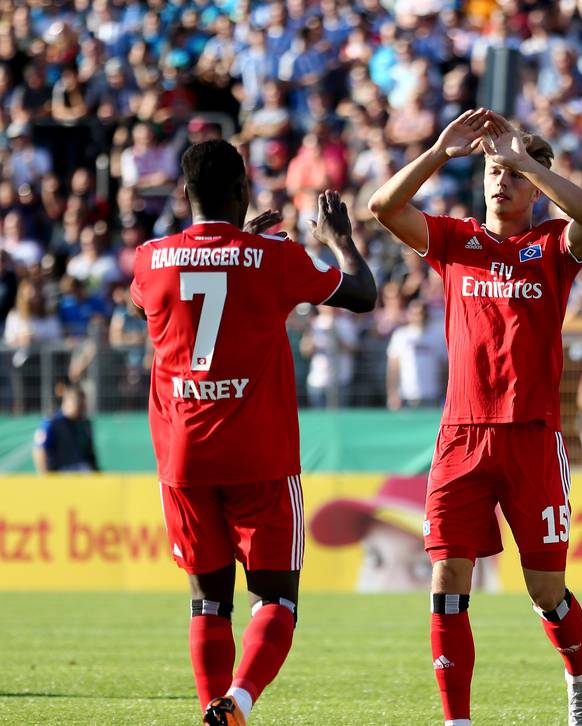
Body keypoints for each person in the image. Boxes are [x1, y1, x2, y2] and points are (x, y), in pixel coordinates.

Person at [368, 108, 582, 726]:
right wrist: (441, 153)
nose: (501, 182)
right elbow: (382, 207)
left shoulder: (554, 246)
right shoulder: (455, 240)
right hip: (461, 437)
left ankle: (580, 678)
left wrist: (523, 156)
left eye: (514, 175)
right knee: (447, 580)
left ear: (535, 183)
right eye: (494, 172)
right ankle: (457, 721)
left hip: (532, 437)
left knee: (545, 592)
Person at [130, 140, 375, 726]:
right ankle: (237, 701)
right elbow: (362, 295)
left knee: (209, 602)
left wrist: (238, 244)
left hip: (184, 458)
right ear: (243, 191)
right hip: (260, 456)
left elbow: (166, 300)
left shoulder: (148, 258)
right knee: (276, 598)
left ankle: (211, 712)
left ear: (185, 194)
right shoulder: (276, 260)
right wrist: (337, 239)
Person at [32, 382, 98, 473]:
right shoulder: (52, 422)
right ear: (67, 402)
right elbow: (39, 449)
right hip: (60, 473)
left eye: (83, 405)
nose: (82, 409)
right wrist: (45, 479)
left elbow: (90, 453)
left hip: (82, 470)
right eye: (78, 404)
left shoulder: (84, 424)